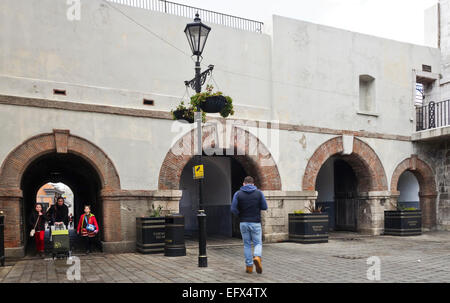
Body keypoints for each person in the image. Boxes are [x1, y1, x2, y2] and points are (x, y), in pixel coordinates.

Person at [231, 176, 268, 274]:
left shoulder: (238, 194)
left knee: (247, 244)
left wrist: (240, 215)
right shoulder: (259, 193)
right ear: (253, 184)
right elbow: (264, 206)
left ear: (244, 184)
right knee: (258, 243)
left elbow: (233, 209)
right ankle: (256, 256)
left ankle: (249, 267)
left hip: (243, 222)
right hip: (255, 222)